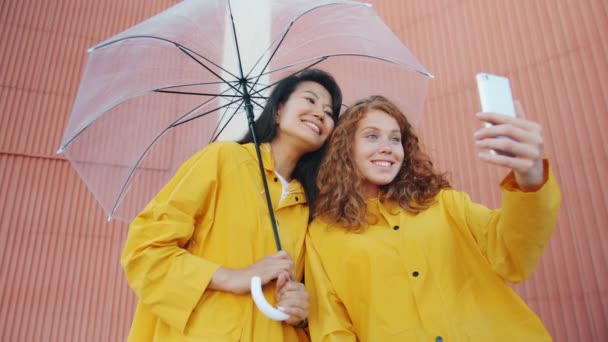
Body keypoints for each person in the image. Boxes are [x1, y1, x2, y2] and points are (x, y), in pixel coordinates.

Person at [305, 95, 561, 341]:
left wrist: (530, 177)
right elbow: (332, 328)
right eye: (372, 136)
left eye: (396, 139)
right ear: (345, 148)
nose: (387, 148)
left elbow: (510, 253)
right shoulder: (322, 235)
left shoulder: (443, 203)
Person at [120, 69, 342, 341]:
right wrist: (233, 277)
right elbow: (145, 249)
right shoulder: (222, 159)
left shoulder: (311, 207)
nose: (320, 113)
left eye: (329, 112)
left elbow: (320, 304)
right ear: (278, 110)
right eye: (310, 100)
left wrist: (301, 312)